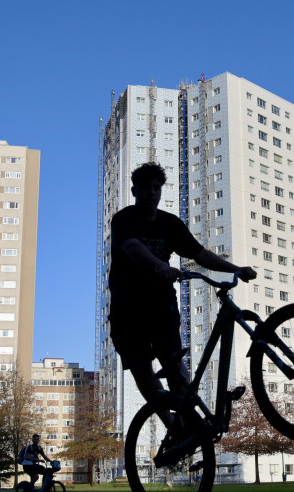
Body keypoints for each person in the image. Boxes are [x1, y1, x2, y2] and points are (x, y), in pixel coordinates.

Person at [109, 162, 257, 413]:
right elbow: (133, 247)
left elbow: (200, 254)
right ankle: (172, 426)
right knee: (143, 372)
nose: (152, 192)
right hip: (128, 307)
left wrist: (236, 269)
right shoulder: (124, 219)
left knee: (174, 365)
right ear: (134, 191)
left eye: (157, 187)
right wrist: (159, 266)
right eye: (146, 187)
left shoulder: (170, 224)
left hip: (160, 304)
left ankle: (190, 420)